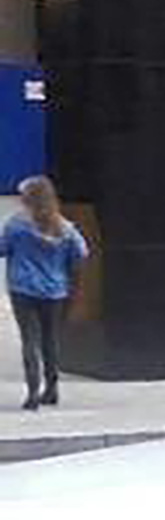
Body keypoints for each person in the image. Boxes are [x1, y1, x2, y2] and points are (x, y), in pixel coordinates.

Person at [1, 175, 88, 411]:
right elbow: (81, 253)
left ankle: (32, 392)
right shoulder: (64, 228)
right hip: (55, 291)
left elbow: (2, 247)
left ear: (28, 199)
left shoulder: (17, 226)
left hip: (23, 289)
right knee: (50, 340)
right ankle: (52, 388)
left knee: (29, 340)